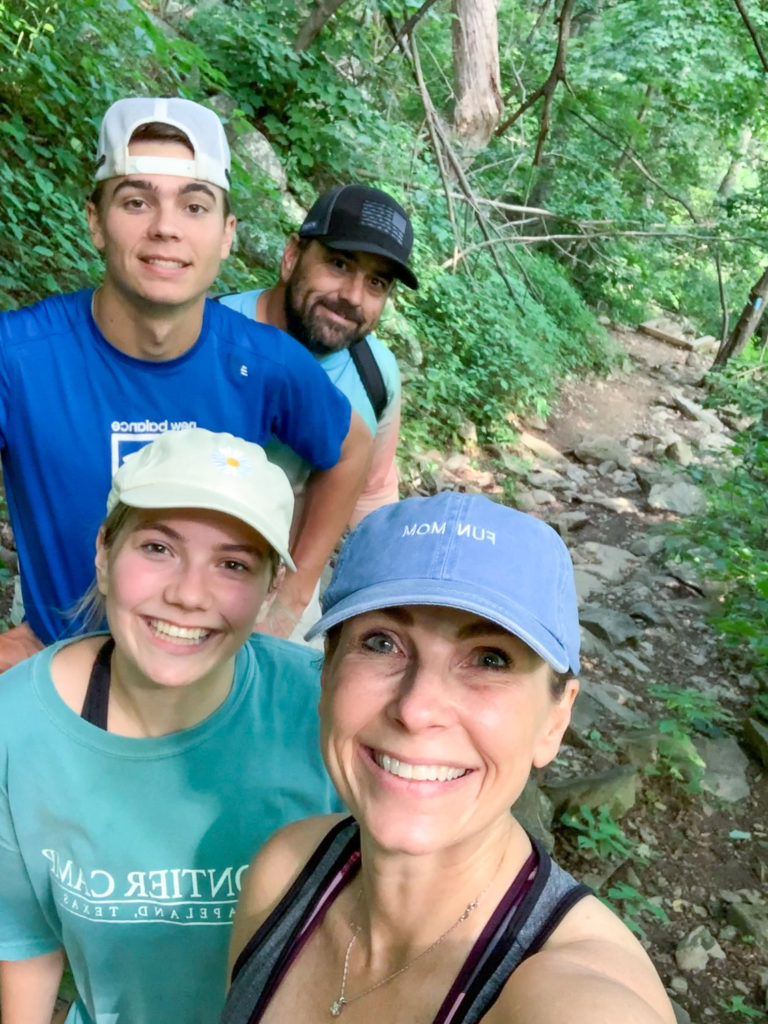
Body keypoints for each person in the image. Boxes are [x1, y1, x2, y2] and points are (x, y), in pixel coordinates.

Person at [222, 492, 676, 1024]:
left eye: (489, 658)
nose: (416, 709)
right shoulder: (285, 871)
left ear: (555, 719)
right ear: (326, 676)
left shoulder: (570, 998)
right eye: (381, 643)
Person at [0, 96, 372, 671]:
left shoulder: (263, 363)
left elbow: (352, 449)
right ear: (96, 221)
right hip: (63, 676)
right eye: (135, 200)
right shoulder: (19, 358)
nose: (166, 228)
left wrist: (288, 602)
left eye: (194, 206)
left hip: (204, 678)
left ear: (226, 235)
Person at [0, 428, 342, 1024]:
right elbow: (23, 940)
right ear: (105, 554)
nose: (188, 594)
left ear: (268, 593)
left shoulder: (323, 707)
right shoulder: (18, 726)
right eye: (158, 548)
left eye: (233, 564)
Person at [219, 184, 418, 529]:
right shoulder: (209, 333)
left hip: (291, 576)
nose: (353, 297)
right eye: (339, 264)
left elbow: (372, 495)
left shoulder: (375, 374)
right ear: (292, 255)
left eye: (376, 282)